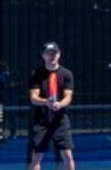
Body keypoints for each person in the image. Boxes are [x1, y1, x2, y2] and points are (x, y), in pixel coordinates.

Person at [27, 42, 75, 170]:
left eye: (54, 53)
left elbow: (68, 97)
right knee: (36, 156)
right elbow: (33, 97)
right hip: (41, 119)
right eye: (48, 53)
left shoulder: (66, 74)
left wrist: (59, 104)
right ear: (43, 55)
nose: (52, 56)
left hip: (60, 119)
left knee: (68, 155)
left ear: (59, 55)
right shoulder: (36, 74)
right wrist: (46, 102)